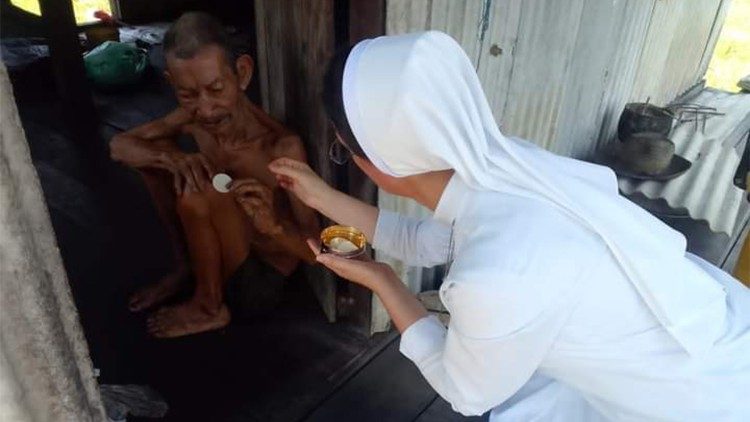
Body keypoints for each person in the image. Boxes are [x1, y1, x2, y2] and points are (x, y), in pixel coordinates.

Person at [267, 31, 750, 420]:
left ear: (380, 160)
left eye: (342, 150)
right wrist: (321, 196)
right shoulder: (504, 166)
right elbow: (425, 241)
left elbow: (465, 391)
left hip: (701, 404)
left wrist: (383, 281)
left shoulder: (496, 277)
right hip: (715, 338)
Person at [110, 12, 318, 338]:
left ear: (243, 74)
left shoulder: (280, 148)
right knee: (160, 155)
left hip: (257, 283)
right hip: (217, 255)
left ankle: (209, 306)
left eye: (216, 89)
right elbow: (120, 146)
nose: (206, 109)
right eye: (188, 95)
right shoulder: (193, 117)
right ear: (171, 83)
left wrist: (274, 227)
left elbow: (316, 251)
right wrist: (173, 158)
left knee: (200, 191)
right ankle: (185, 268)